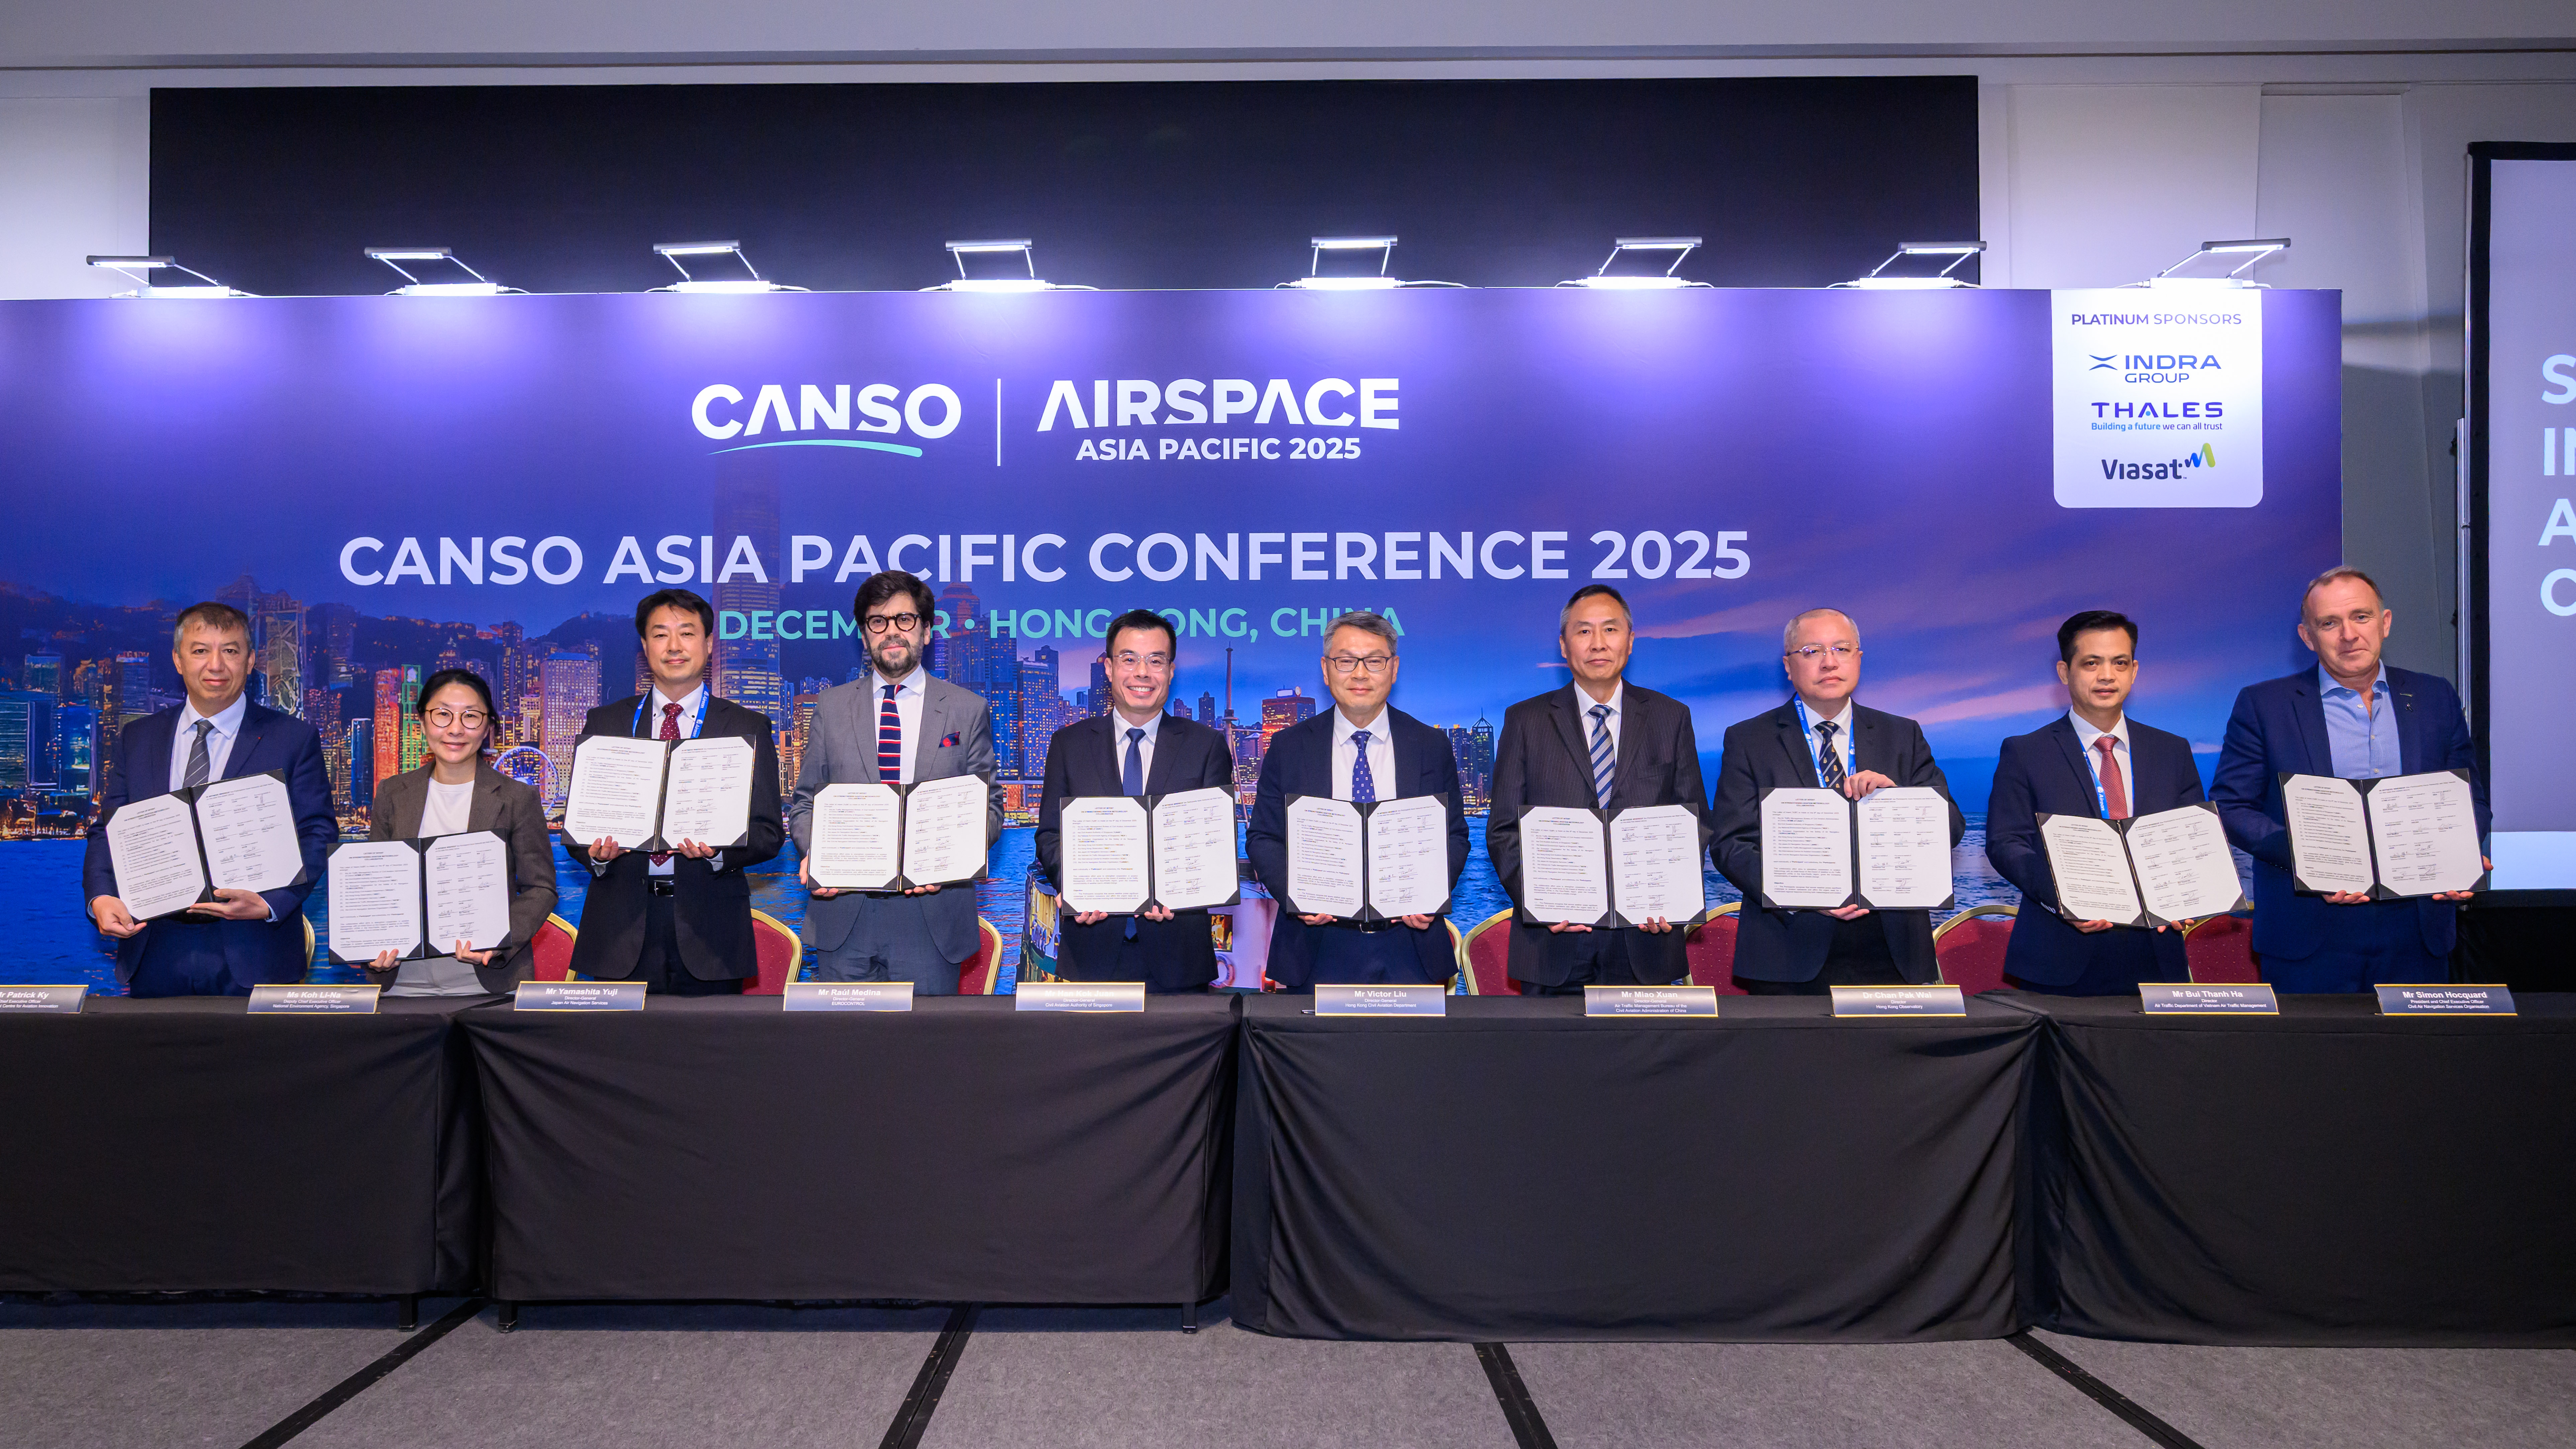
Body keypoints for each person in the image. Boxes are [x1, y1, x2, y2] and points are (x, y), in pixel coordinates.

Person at [2211, 567, 2489, 992]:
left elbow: (2470, 799)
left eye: (2360, 617)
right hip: (2306, 930)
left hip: (2416, 929)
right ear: (2308, 637)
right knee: (2312, 1060)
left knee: (2416, 1059)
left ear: (2385, 622)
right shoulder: (2264, 704)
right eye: (2329, 623)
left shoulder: (2435, 697)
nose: (2348, 634)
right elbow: (2232, 806)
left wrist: (2461, 854)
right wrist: (2309, 858)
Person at [82, 601, 336, 996]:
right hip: (154, 946)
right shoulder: (138, 737)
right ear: (178, 660)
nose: (216, 665)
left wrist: (270, 903)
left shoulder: (293, 738)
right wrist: (100, 897)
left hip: (256, 948)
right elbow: (108, 831)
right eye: (200, 650)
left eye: (231, 651)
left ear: (251, 661)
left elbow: (317, 833)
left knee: (261, 1061)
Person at [1711, 607, 1965, 993]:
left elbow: (1952, 826)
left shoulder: (1902, 735)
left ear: (1858, 659)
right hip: (1788, 950)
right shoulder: (1749, 740)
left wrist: (1899, 801)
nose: (1829, 662)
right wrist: (1801, 893)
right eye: (1812, 651)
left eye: (1841, 649)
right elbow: (1730, 843)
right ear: (1788, 665)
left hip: (1892, 948)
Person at [1487, 585, 1709, 994]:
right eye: (1583, 632)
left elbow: (1693, 822)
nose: (1598, 644)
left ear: (1629, 641)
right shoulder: (1525, 720)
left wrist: (1670, 896)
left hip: (1647, 939)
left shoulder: (1671, 717)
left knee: (1646, 1058)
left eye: (1610, 630)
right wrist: (1539, 902)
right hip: (1552, 942)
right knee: (1554, 1060)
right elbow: (1503, 830)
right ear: (1563, 645)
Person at [787, 572, 1002, 993]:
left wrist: (952, 860)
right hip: (843, 913)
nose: (891, 632)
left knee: (923, 1056)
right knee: (846, 1054)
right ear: (864, 635)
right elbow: (804, 803)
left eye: (904, 620)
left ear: (926, 629)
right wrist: (818, 851)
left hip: (931, 915)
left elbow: (990, 810)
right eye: (877, 622)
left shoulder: (967, 709)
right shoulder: (830, 708)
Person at [564, 589, 783, 994]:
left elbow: (769, 833)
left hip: (711, 928)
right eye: (661, 635)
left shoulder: (747, 727)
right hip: (619, 927)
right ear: (645, 646)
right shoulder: (605, 722)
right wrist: (593, 854)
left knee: (710, 1054)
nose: (675, 646)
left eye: (687, 633)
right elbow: (578, 824)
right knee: (617, 1055)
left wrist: (720, 851)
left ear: (709, 644)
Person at [1985, 611, 2205, 995]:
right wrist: (2064, 901)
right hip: (2061, 954)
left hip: (2156, 953)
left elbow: (2192, 841)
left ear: (2134, 671)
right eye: (2091, 663)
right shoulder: (2026, 752)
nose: (2107, 675)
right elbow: (2005, 843)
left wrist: (2191, 892)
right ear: (2064, 672)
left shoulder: (2172, 751)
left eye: (2119, 663)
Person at [1247, 611, 1470, 989]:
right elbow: (1263, 838)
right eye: (1346, 661)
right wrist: (1298, 898)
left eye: (1375, 661)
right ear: (1326, 668)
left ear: (1394, 668)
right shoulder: (1289, 747)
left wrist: (1430, 894)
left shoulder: (1430, 746)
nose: (1360, 674)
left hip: (1410, 943)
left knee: (1413, 1051)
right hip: (1314, 945)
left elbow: (1454, 836)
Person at [1034, 608, 1235, 992]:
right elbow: (1049, 836)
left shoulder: (1205, 746)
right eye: (1129, 659)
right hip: (1091, 949)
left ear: (1171, 671)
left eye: (1155, 661)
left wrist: (1184, 890)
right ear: (1109, 668)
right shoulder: (1068, 744)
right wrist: (1076, 887)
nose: (1142, 672)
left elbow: (1215, 844)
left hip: (1179, 954)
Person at [361, 669, 558, 996]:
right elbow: (374, 890)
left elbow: (541, 888)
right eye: (442, 715)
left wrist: (499, 940)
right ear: (422, 722)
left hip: (487, 982)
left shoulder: (517, 798)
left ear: (488, 729)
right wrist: (370, 948)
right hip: (402, 982)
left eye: (471, 716)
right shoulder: (393, 793)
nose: (455, 729)